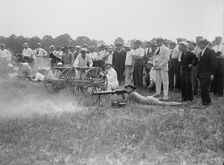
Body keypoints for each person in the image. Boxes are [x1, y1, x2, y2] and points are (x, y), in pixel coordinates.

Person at [197, 38, 216, 106]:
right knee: (202, 88)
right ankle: (204, 102)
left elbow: (213, 64)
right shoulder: (201, 52)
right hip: (201, 74)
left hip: (207, 73)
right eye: (199, 43)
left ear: (205, 44)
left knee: (205, 88)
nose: (199, 45)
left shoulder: (210, 51)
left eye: (201, 43)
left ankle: (207, 102)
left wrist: (212, 74)